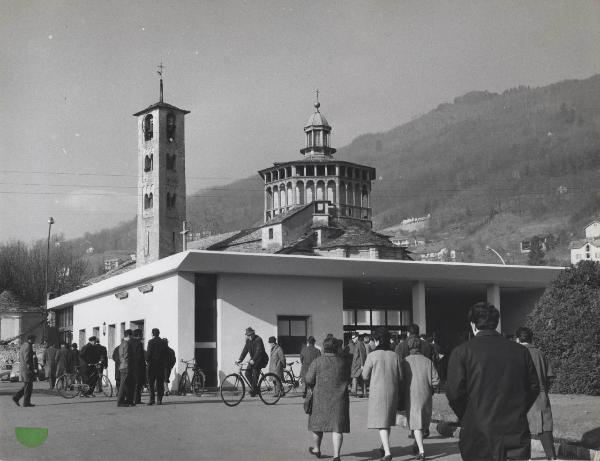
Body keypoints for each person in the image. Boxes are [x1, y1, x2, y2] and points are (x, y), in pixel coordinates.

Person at [446, 302, 540, 461]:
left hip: (478, 433)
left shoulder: (461, 352)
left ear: (473, 324)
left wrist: (469, 415)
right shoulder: (520, 351)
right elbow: (533, 387)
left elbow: (455, 393)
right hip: (515, 430)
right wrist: (519, 409)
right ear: (496, 323)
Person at [305, 336, 350, 461]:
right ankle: (336, 455)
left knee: (318, 425)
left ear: (325, 348)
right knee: (337, 427)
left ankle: (317, 449)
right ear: (336, 348)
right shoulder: (343, 362)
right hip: (339, 399)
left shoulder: (317, 361)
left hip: (320, 398)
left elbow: (309, 379)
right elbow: (348, 378)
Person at [362, 327, 404, 461]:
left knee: (381, 422)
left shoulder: (372, 355)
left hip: (378, 392)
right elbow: (401, 376)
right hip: (392, 391)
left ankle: (387, 452)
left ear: (377, 340)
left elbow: (364, 376)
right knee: (387, 420)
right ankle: (383, 446)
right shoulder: (395, 355)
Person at [516, 326, 557, 460]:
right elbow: (549, 375)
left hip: (521, 394)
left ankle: (524, 457)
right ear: (531, 338)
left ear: (517, 339)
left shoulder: (516, 353)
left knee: (522, 426)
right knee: (545, 425)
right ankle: (551, 456)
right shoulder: (540, 353)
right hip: (540, 393)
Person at [401, 336, 440, 460]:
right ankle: (416, 444)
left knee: (416, 423)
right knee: (422, 423)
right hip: (426, 395)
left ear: (409, 347)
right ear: (420, 347)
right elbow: (436, 381)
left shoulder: (405, 361)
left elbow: (401, 379)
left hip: (411, 396)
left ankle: (422, 451)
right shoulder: (428, 361)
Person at [236, 327, 268, 397]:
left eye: (250, 335)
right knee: (247, 373)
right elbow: (245, 350)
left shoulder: (258, 339)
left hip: (261, 359)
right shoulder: (248, 341)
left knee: (255, 371)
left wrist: (253, 359)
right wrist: (240, 359)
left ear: (253, 333)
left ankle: (254, 389)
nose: (249, 336)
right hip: (253, 359)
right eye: (248, 335)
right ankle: (255, 388)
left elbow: (259, 351)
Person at [12, 334, 36, 407]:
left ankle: (16, 397)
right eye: (34, 339)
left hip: (24, 369)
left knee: (27, 386)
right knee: (29, 387)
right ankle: (26, 402)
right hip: (27, 370)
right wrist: (30, 369)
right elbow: (27, 359)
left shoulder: (23, 345)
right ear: (30, 339)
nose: (34, 340)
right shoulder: (28, 346)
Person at [146, 328, 167, 405]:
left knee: (151, 382)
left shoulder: (151, 342)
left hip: (152, 365)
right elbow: (165, 354)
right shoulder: (163, 342)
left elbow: (148, 354)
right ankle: (159, 400)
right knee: (160, 383)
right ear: (159, 333)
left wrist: (148, 361)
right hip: (161, 365)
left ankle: (152, 399)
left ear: (152, 334)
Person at [117, 329, 133, 407]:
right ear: (129, 336)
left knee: (125, 384)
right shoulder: (127, 344)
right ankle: (120, 402)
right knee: (123, 385)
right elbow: (126, 356)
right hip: (126, 366)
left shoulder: (122, 343)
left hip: (122, 365)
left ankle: (126, 401)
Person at [348, 333, 367, 397]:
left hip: (358, 364)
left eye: (354, 338)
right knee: (360, 378)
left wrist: (362, 365)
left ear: (357, 337)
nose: (353, 339)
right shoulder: (357, 344)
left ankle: (354, 391)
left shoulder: (359, 344)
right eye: (352, 338)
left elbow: (362, 354)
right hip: (357, 364)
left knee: (355, 377)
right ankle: (364, 392)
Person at [131, 329, 146, 404]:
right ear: (139, 335)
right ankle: (137, 399)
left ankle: (131, 399)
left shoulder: (129, 342)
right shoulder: (139, 343)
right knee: (138, 383)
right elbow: (140, 356)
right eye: (142, 334)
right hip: (138, 366)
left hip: (130, 365)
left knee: (131, 383)